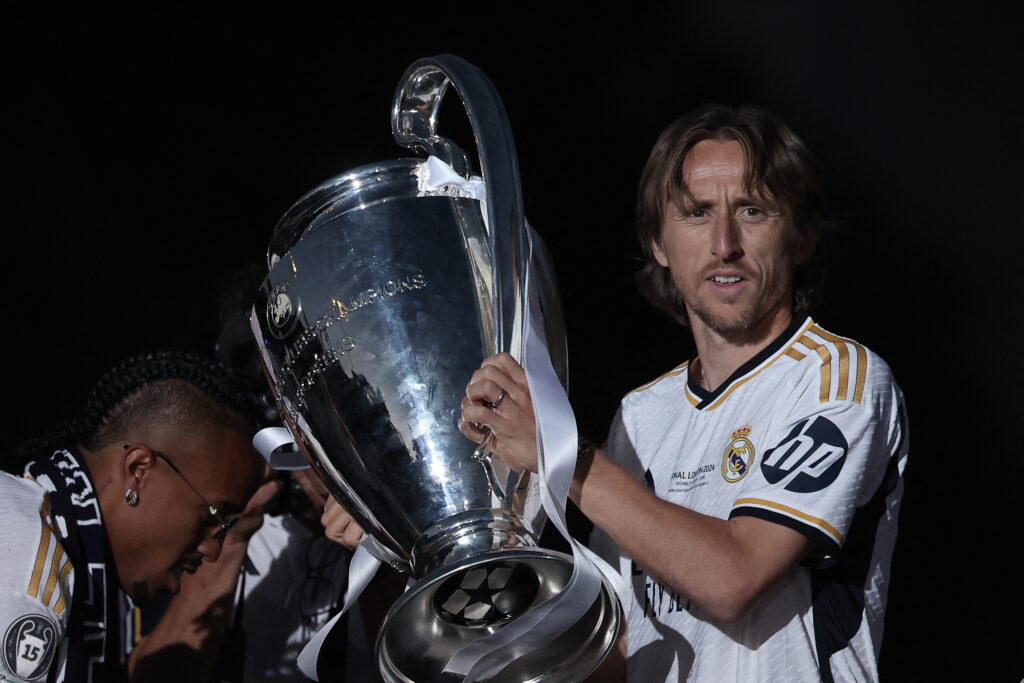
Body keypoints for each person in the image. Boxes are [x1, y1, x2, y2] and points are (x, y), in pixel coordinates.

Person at [458, 104, 909, 682]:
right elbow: (621, 646)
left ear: (802, 237)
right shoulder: (642, 414)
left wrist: (560, 452)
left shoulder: (838, 377)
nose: (724, 244)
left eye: (752, 210)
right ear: (659, 244)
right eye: (696, 214)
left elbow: (732, 579)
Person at [1, 351, 266, 682]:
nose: (213, 549)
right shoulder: (24, 563)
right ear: (137, 471)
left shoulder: (61, 543)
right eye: (213, 515)